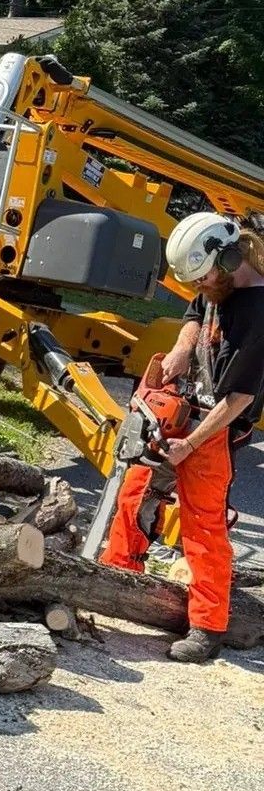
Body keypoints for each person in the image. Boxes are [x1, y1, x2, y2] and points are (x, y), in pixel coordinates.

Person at [100, 210, 264, 661]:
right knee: (134, 495)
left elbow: (240, 400)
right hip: (182, 410)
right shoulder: (212, 283)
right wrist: (179, 349)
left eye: (206, 277)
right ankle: (113, 581)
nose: (202, 286)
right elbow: (196, 313)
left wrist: (189, 445)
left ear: (230, 259)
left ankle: (207, 627)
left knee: (203, 525)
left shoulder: (258, 311)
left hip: (215, 430)